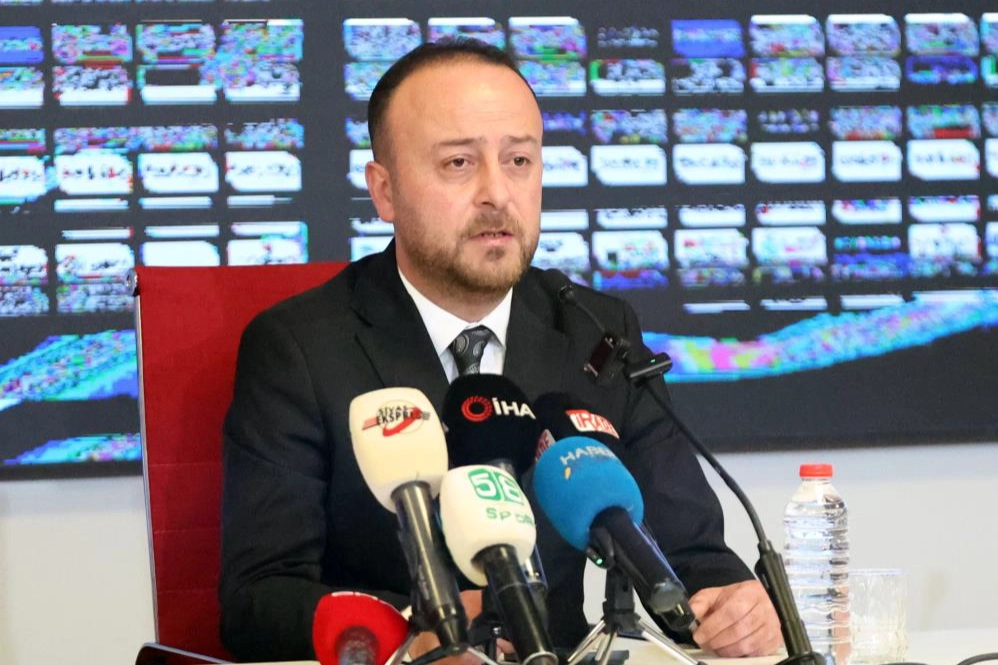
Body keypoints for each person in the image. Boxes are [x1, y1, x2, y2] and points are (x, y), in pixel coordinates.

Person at [219, 39, 781, 662]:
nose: (497, 192)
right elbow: (258, 599)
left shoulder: (596, 330)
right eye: (458, 163)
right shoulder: (300, 348)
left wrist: (731, 609)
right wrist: (411, 633)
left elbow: (693, 556)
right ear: (384, 191)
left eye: (518, 160)